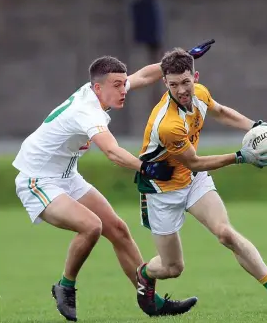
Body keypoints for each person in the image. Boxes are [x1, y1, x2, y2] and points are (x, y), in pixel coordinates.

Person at [12, 40, 214, 322]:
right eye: (117, 85)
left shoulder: (100, 90)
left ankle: (150, 301)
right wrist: (147, 168)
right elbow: (111, 151)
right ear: (98, 88)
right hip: (37, 180)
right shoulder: (88, 112)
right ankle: (65, 287)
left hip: (66, 175)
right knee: (91, 227)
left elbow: (143, 77)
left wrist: (182, 59)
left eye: (123, 84)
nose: (123, 90)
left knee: (117, 229)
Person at [135, 48, 267, 316]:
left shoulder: (199, 94)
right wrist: (240, 157)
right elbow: (195, 161)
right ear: (164, 83)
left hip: (193, 181)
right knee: (172, 268)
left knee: (225, 233)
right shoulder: (167, 124)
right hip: (161, 190)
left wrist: (257, 127)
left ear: (195, 77)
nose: (181, 90)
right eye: (174, 84)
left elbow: (221, 112)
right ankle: (144, 274)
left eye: (186, 82)